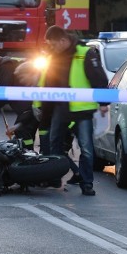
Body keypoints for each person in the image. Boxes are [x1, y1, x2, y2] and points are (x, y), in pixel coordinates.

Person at [41, 25, 109, 196]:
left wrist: (103, 102)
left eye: (53, 44)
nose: (51, 48)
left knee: (86, 148)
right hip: (61, 108)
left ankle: (87, 184)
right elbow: (48, 82)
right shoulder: (53, 57)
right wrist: (45, 108)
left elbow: (99, 77)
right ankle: (55, 178)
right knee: (54, 144)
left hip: (82, 110)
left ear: (63, 41)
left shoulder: (84, 53)